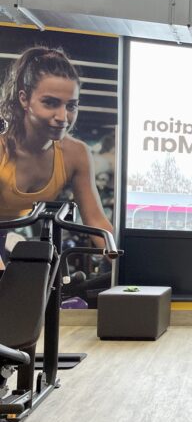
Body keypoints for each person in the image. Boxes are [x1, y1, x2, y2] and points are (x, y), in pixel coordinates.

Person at [0, 47, 114, 267]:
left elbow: (97, 223)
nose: (63, 117)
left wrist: (124, 265)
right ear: (24, 99)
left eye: (71, 106)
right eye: (50, 103)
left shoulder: (76, 154)